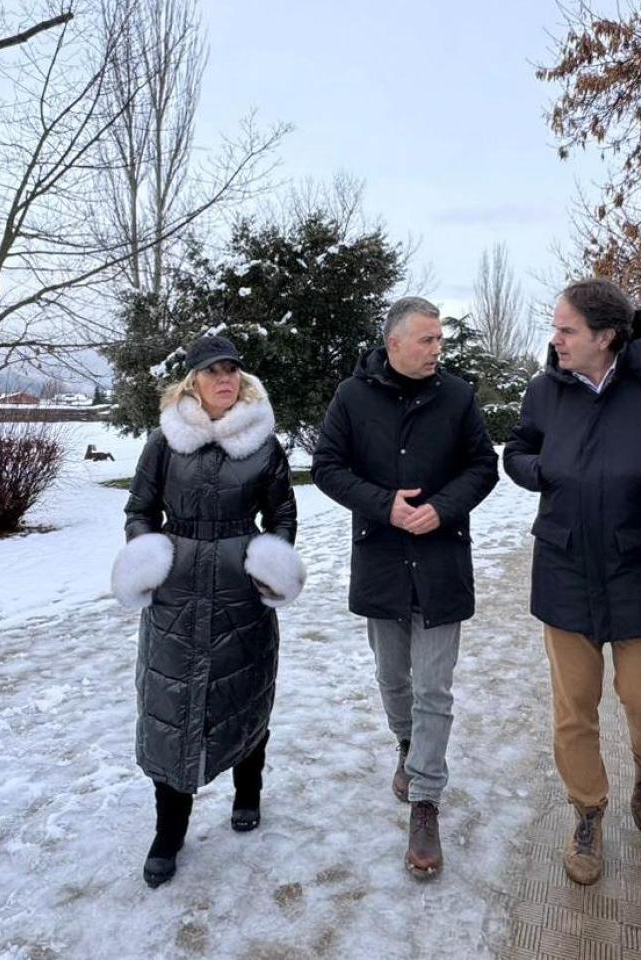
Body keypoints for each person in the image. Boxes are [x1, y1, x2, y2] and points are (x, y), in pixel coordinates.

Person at [502, 278, 641, 886]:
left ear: (606, 336)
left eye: (567, 330)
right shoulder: (545, 389)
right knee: (573, 709)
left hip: (639, 567)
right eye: (556, 328)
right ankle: (588, 811)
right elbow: (518, 449)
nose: (556, 340)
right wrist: (539, 469)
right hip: (565, 566)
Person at [311, 296, 499, 879]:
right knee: (393, 677)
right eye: (427, 340)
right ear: (393, 343)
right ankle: (407, 744)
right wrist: (383, 505)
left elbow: (483, 467)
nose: (437, 349)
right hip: (382, 560)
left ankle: (425, 800)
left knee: (433, 688)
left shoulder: (458, 396)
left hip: (442, 562)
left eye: (440, 339)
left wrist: (442, 508)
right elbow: (326, 467)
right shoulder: (352, 397)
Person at [111, 334, 305, 889]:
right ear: (192, 380)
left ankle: (248, 790)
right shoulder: (164, 442)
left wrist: (271, 563)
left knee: (244, 693)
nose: (225, 379)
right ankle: (168, 832)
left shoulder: (264, 445)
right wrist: (148, 557)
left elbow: (282, 514)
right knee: (170, 706)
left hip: (241, 589)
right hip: (175, 591)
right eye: (213, 371)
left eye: (232, 371)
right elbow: (140, 508)